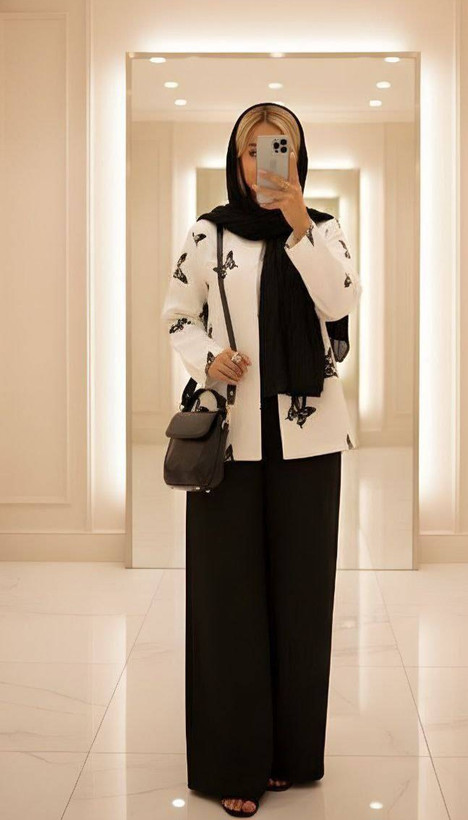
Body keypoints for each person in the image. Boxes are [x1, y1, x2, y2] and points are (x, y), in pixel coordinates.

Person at [161, 102, 362, 817]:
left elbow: (340, 303)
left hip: (309, 441)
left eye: (281, 147)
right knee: (228, 602)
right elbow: (177, 315)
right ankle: (233, 761)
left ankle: (289, 753)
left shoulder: (325, 230)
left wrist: (300, 222)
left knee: (301, 601)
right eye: (254, 150)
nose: (266, 161)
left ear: (299, 157)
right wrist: (207, 356)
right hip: (231, 437)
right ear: (237, 159)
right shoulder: (207, 232)